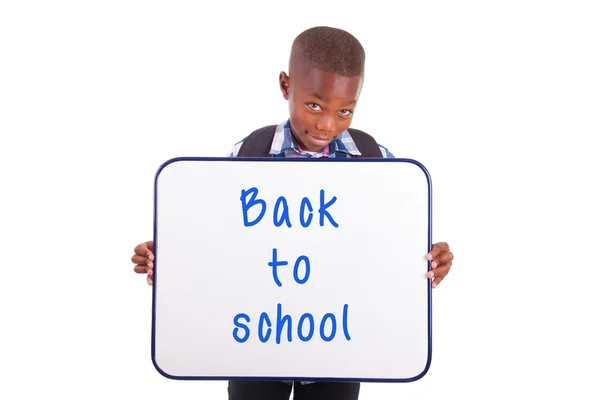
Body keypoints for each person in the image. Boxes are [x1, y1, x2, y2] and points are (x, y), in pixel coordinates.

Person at [131, 26, 454, 400]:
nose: (326, 125)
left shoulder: (377, 161)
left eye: (344, 111)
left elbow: (391, 243)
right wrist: (173, 258)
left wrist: (428, 259)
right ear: (286, 86)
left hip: (341, 348)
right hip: (255, 344)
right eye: (314, 105)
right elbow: (218, 235)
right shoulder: (247, 152)